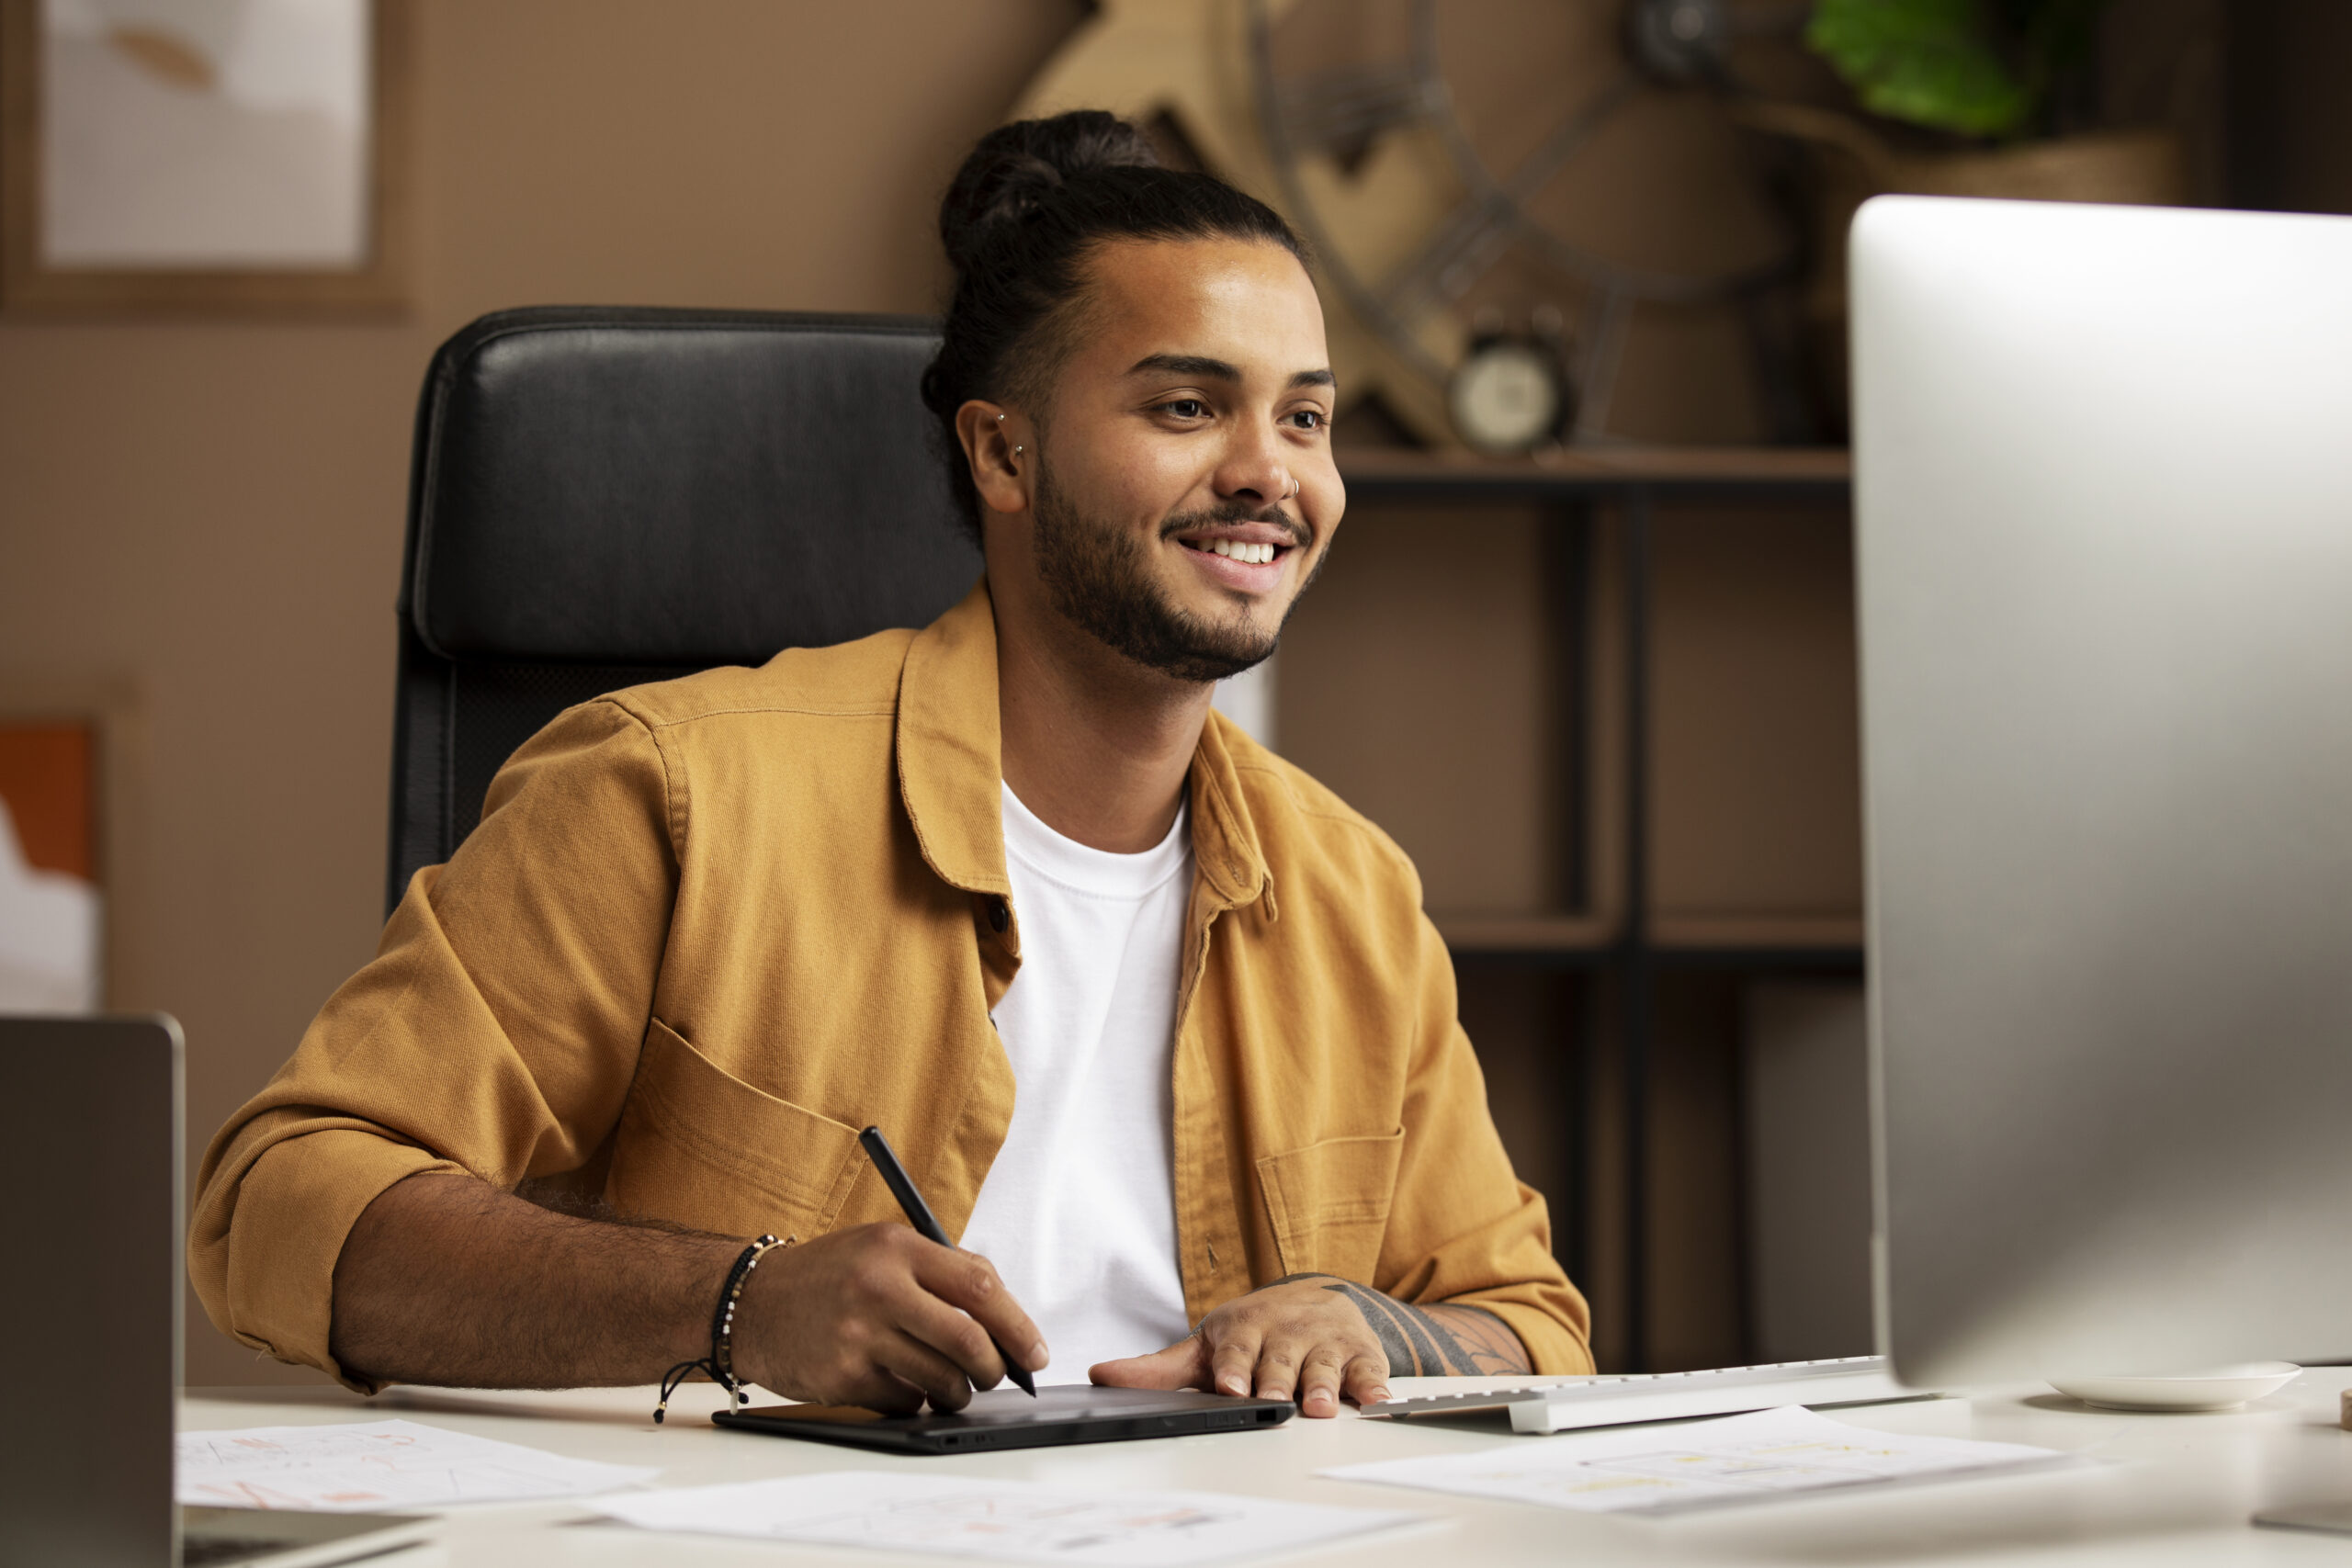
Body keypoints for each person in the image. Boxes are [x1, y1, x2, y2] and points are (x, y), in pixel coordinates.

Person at [190, 110, 1591, 1420]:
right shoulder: (671, 795)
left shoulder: (1352, 892)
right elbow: (280, 1201)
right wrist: (737, 1303)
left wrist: (1369, 1322)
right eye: (1185, 407)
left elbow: (1528, 1322)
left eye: (1304, 417)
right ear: (1003, 450)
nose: (1269, 473)